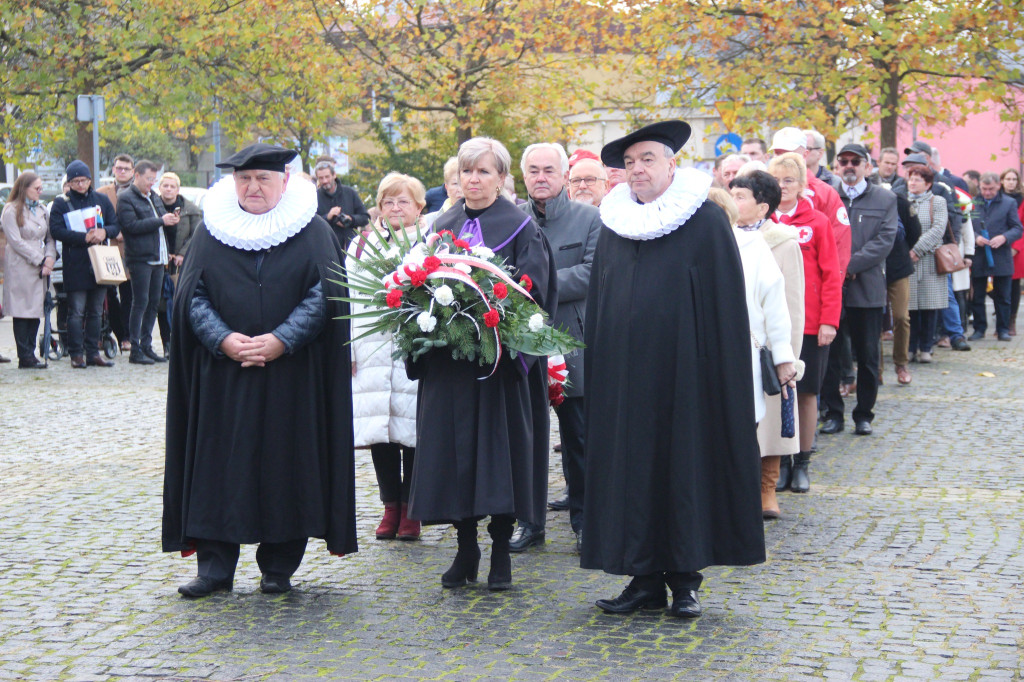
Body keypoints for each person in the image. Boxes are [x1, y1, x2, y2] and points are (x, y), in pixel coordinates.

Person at [583, 120, 765, 620]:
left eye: (647, 159)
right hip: (626, 378)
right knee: (634, 472)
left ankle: (685, 580)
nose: (637, 169)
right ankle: (642, 578)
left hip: (689, 377)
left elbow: (726, 308)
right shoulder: (614, 224)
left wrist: (717, 375)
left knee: (684, 468)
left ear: (670, 164)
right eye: (630, 162)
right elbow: (602, 302)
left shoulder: (704, 221)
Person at [163, 143, 357, 598]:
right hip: (222, 378)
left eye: (263, 179)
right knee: (217, 467)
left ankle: (278, 565)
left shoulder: (312, 231)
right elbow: (192, 295)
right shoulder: (211, 232)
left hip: (292, 376)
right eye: (244, 179)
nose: (253, 187)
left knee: (287, 466)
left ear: (284, 182)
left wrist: (282, 339)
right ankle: (215, 568)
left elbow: (325, 295)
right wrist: (224, 340)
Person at [408, 137, 556, 592]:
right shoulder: (442, 223)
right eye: (467, 171)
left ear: (502, 179)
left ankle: (499, 554)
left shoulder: (521, 227)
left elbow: (535, 297)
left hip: (499, 372)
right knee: (457, 461)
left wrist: (502, 336)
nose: (473, 180)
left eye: (484, 172)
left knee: (499, 461)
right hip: (451, 370)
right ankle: (466, 547)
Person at [510, 142, 601, 554]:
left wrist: (532, 286)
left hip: (572, 342)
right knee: (524, 439)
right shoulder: (511, 221)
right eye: (533, 170)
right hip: (520, 343)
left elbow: (592, 272)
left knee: (579, 438)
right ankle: (529, 523)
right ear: (523, 176)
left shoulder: (590, 218)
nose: (541, 177)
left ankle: (585, 520)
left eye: (549, 170)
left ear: (565, 176)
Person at [350, 172, 426, 542]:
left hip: (413, 347)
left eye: (403, 202)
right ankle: (390, 505)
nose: (395, 208)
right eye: (388, 202)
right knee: (378, 430)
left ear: (419, 207)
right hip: (372, 348)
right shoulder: (361, 245)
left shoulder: (431, 242)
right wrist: (348, 347)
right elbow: (348, 299)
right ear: (378, 208)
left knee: (411, 430)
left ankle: (413, 509)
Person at [730, 170, 805, 518]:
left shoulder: (780, 241)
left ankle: (767, 487)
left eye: (741, 195)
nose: (733, 201)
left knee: (772, 421)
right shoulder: (722, 236)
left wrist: (786, 355)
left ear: (762, 208)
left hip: (766, 348)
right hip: (731, 347)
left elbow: (788, 303)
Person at [768, 153, 840, 493]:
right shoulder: (761, 222)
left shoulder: (818, 222)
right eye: (777, 180)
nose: (782, 187)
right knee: (777, 393)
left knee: (807, 392)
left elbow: (831, 276)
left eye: (789, 181)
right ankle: (778, 461)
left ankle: (803, 462)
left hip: (809, 323)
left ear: (802, 184)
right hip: (770, 324)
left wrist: (829, 321)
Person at [820, 144, 897, 437]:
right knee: (831, 353)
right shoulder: (827, 196)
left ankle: (864, 414)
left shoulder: (885, 199)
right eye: (844, 161)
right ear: (837, 165)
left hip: (867, 288)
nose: (849, 165)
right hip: (832, 289)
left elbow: (884, 240)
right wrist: (837, 269)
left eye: (856, 161)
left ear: (868, 165)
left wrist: (848, 265)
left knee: (867, 356)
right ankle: (834, 413)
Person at [49, 160, 120, 368]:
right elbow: (56, 230)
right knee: (77, 311)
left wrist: (104, 232)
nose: (81, 185)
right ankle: (76, 354)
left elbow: (115, 224)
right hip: (76, 262)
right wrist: (83, 237)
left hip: (99, 262)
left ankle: (93, 353)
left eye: (84, 180)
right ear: (69, 182)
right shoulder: (61, 203)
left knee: (97, 310)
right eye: (76, 181)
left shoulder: (101, 199)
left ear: (90, 180)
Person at [118, 160, 177, 365]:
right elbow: (130, 226)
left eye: (154, 179)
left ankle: (146, 345)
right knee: (140, 302)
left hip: (159, 257)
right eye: (149, 178)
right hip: (141, 258)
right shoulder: (126, 198)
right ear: (137, 175)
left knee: (153, 303)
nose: (151, 183)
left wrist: (170, 219)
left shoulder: (153, 197)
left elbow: (161, 221)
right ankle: (135, 348)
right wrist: (161, 221)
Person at [2, 172, 57, 368]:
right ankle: (24, 354)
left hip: (40, 266)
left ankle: (30, 353)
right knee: (21, 309)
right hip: (20, 264)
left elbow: (51, 237)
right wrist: (40, 259)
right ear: (24, 188)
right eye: (37, 188)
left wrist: (49, 258)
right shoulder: (11, 210)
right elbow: (15, 241)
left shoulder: (42, 210)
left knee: (35, 309)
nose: (40, 192)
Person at [968, 173, 1024, 341]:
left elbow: (1017, 228)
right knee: (977, 295)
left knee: (1003, 296)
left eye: (991, 189)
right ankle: (979, 329)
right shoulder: (972, 203)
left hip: (1001, 255)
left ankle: (1003, 329)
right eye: (984, 189)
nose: (987, 192)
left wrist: (1004, 237)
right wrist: (976, 236)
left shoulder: (1009, 203)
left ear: (998, 186)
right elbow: (965, 225)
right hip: (979, 254)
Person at [905, 166, 950, 363]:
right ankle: (910, 347)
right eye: (911, 179)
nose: (912, 183)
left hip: (930, 260)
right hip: (908, 261)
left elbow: (938, 228)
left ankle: (926, 347)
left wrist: (917, 249)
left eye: (917, 180)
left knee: (930, 307)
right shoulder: (902, 201)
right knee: (910, 307)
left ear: (928, 184)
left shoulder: (937, 201)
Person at [155, 172, 202, 355]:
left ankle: (182, 342)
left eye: (172, 186)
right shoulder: (154, 207)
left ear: (178, 189)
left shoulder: (191, 209)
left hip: (182, 264)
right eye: (165, 186)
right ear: (159, 188)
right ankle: (166, 342)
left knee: (181, 303)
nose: (168, 189)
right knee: (161, 305)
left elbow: (196, 234)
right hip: (160, 262)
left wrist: (183, 254)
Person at [97, 153, 136, 351]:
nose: (122, 172)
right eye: (118, 168)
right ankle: (120, 334)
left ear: (133, 171)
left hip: (130, 251)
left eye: (126, 169)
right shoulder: (102, 192)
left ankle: (128, 335)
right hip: (109, 250)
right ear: (113, 169)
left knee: (128, 296)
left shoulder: (139, 192)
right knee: (110, 295)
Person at [314, 160, 369, 248]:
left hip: (351, 246)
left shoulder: (350, 193)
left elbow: (365, 218)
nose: (324, 181)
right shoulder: (314, 197)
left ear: (334, 175)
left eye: (327, 176)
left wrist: (351, 219)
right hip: (326, 245)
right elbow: (312, 224)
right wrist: (328, 217)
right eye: (321, 178)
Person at [422, 157, 463, 228]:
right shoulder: (428, 221)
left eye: (463, 183)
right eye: (455, 183)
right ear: (447, 187)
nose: (459, 189)